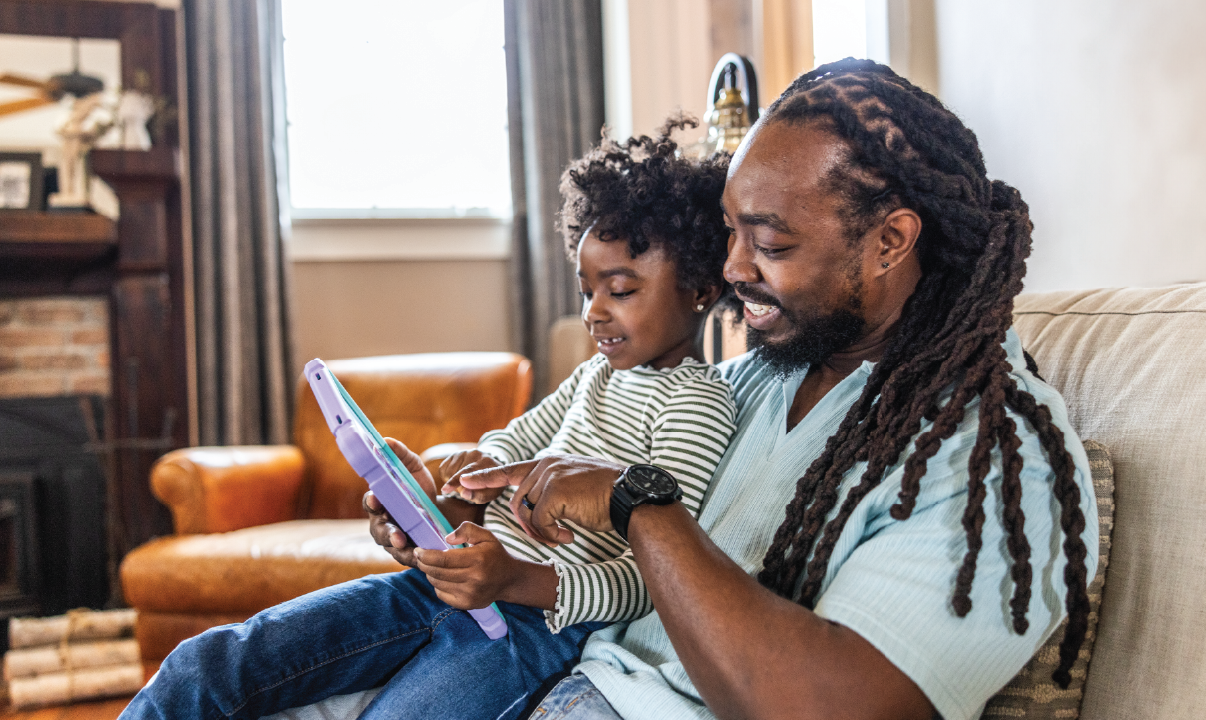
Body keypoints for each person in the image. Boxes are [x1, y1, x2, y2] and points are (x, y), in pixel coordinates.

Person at [453, 59, 1100, 720]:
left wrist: (639, 500)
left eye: (769, 242)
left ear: (890, 241)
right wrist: (465, 512)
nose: (732, 268)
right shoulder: (765, 376)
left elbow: (825, 708)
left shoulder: (989, 459)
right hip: (546, 675)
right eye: (731, 231)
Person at [119, 119, 738, 720]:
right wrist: (436, 492)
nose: (593, 313)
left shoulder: (699, 404)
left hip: (528, 631)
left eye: (620, 291)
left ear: (700, 288)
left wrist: (513, 578)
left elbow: (653, 575)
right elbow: (501, 448)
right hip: (443, 588)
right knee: (210, 664)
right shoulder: (594, 377)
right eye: (586, 291)